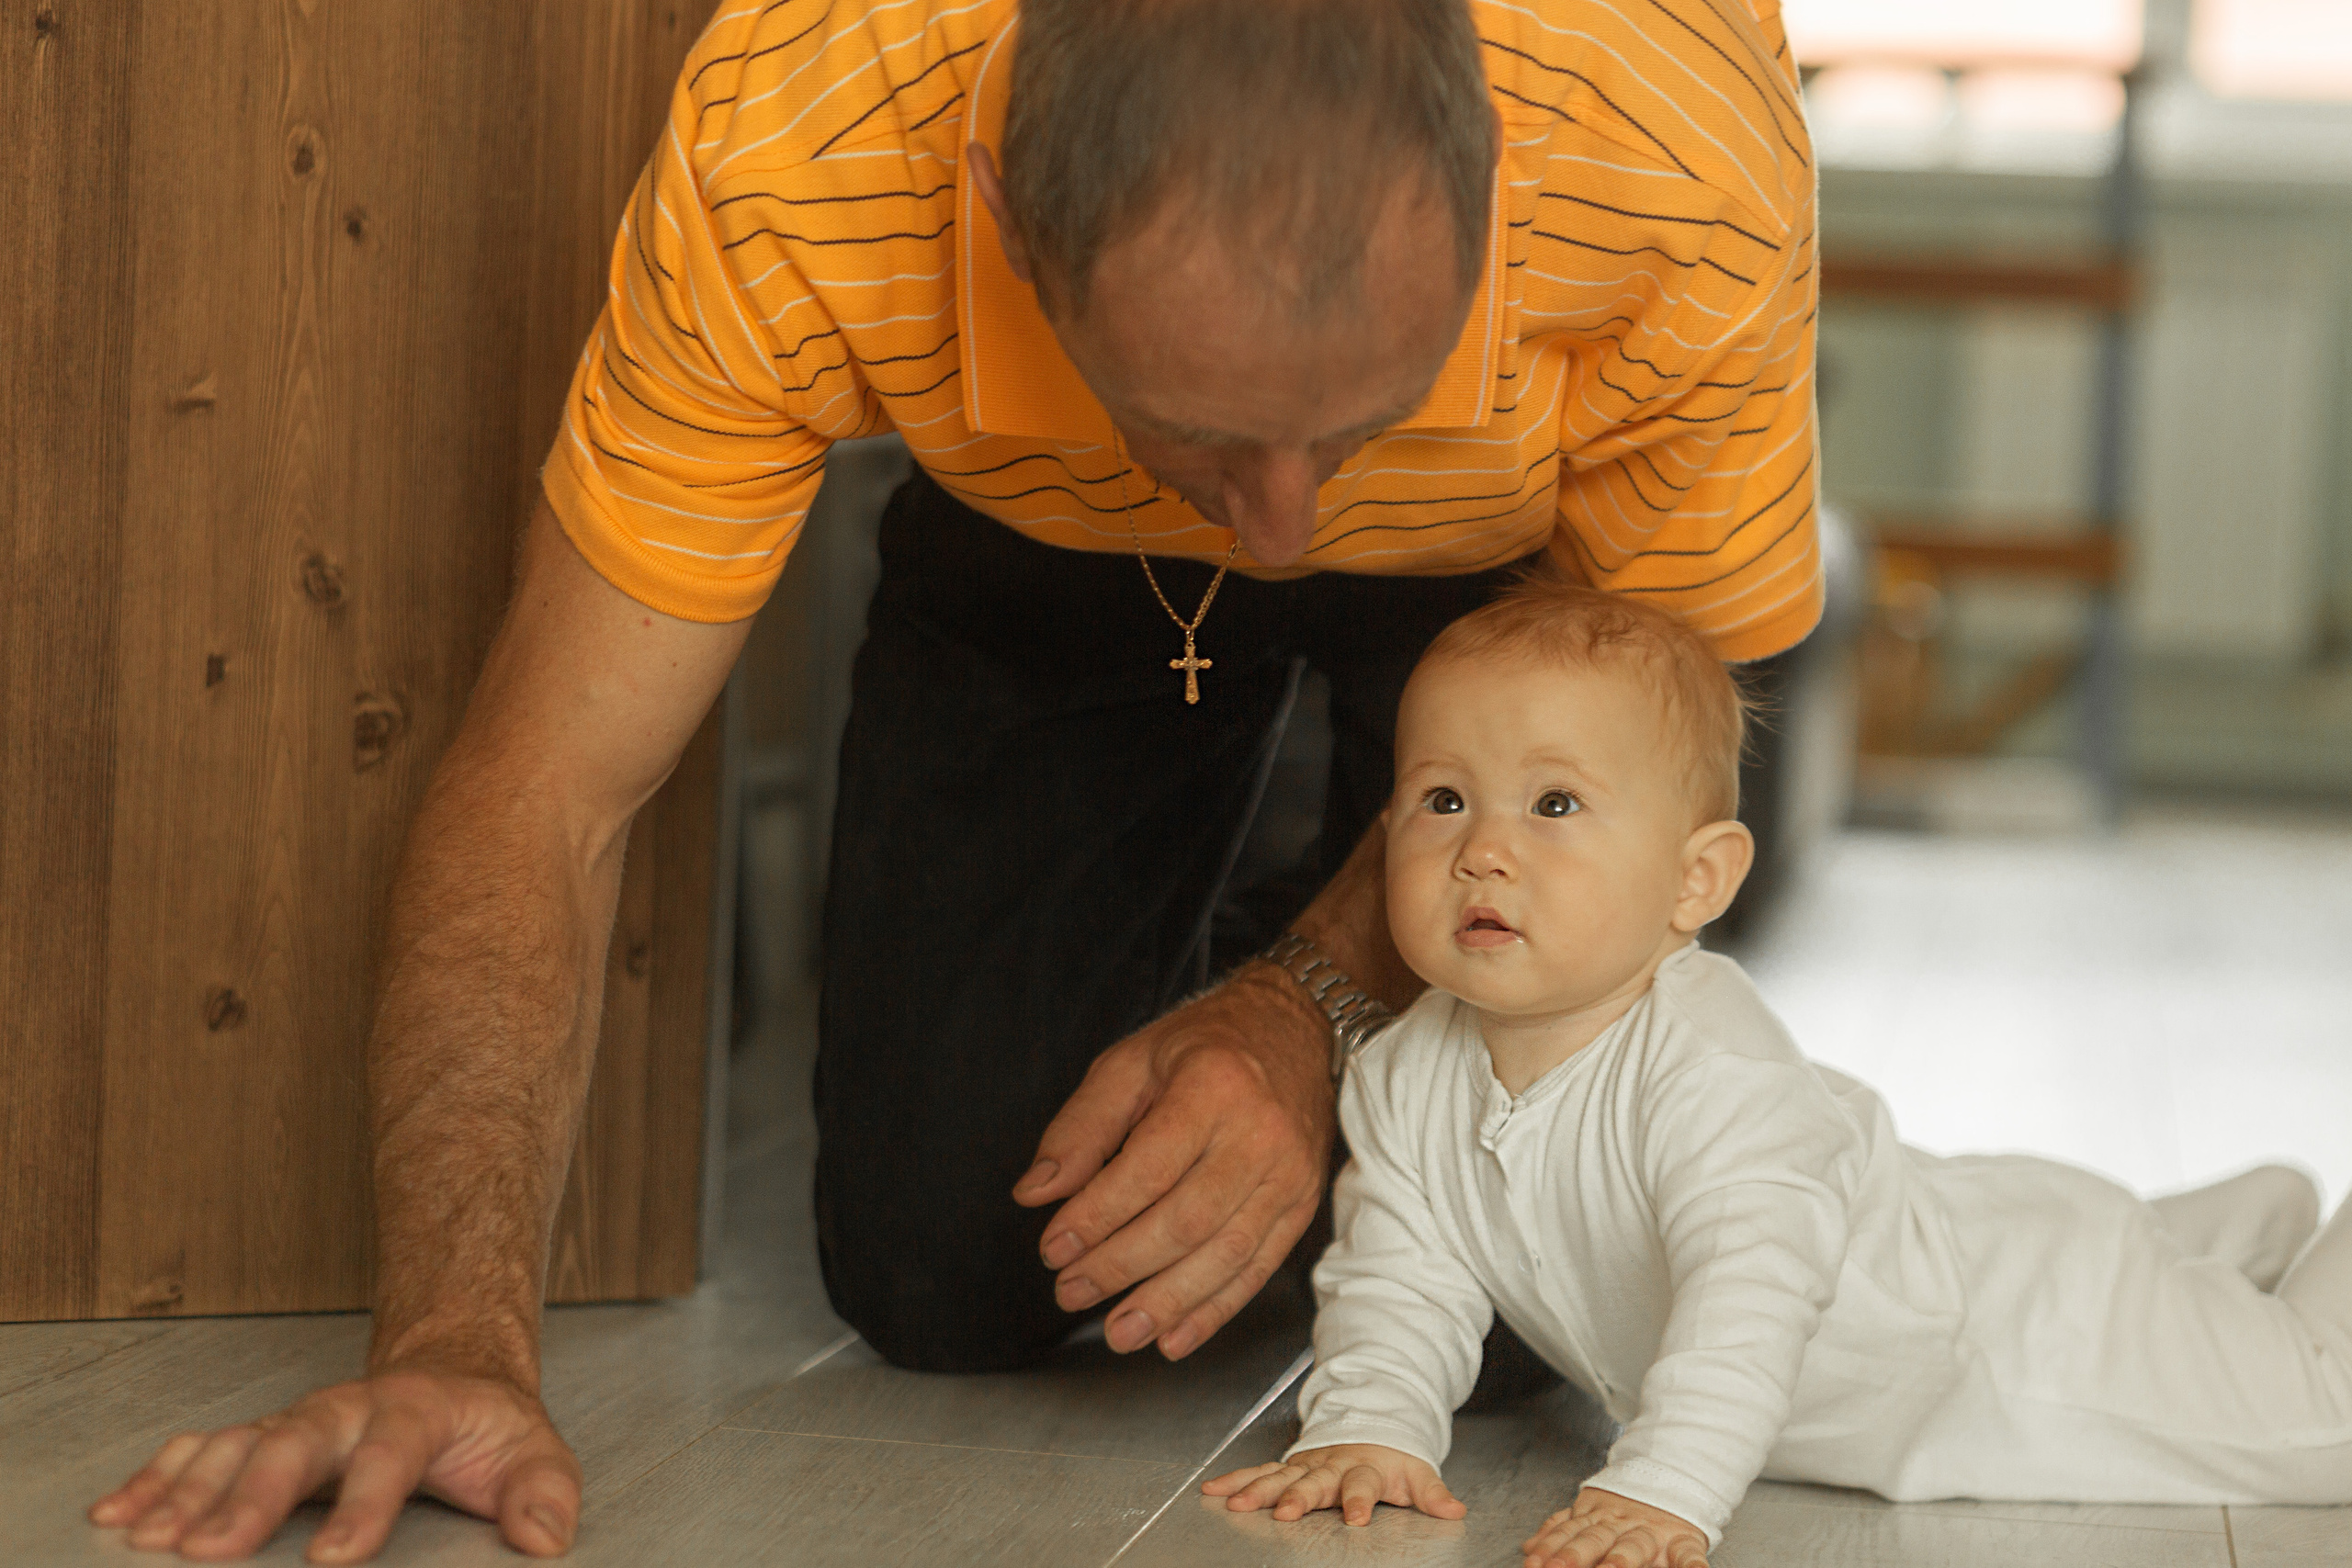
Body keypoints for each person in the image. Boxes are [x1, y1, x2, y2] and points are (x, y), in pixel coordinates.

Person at [88, 0, 1822, 1561]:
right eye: (1209, 432)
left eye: (1358, 419)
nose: (1286, 523)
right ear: (1001, 219)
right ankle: (1268, 828)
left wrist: (1306, 1012)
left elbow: (1646, 753)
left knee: (1535, 1312)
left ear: (1493, 183)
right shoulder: (798, 150)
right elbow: (548, 788)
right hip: (1045, 536)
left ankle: (1299, 869)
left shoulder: (1672, 152)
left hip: (1509, 600)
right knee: (942, 1265)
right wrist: (451, 1343)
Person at [1203, 578, 2352, 1567]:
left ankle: (2222, 1272)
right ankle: (2219, 1243)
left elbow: (1744, 1307)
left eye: (1554, 804)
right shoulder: (1404, 1073)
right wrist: (1372, 1426)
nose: (1481, 848)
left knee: (2326, 1420)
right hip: (1961, 1223)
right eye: (1442, 798)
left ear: (1695, 883)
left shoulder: (1708, 1064)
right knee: (2090, 1256)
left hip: (1999, 1352)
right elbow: (1402, 1276)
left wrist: (1661, 1484)